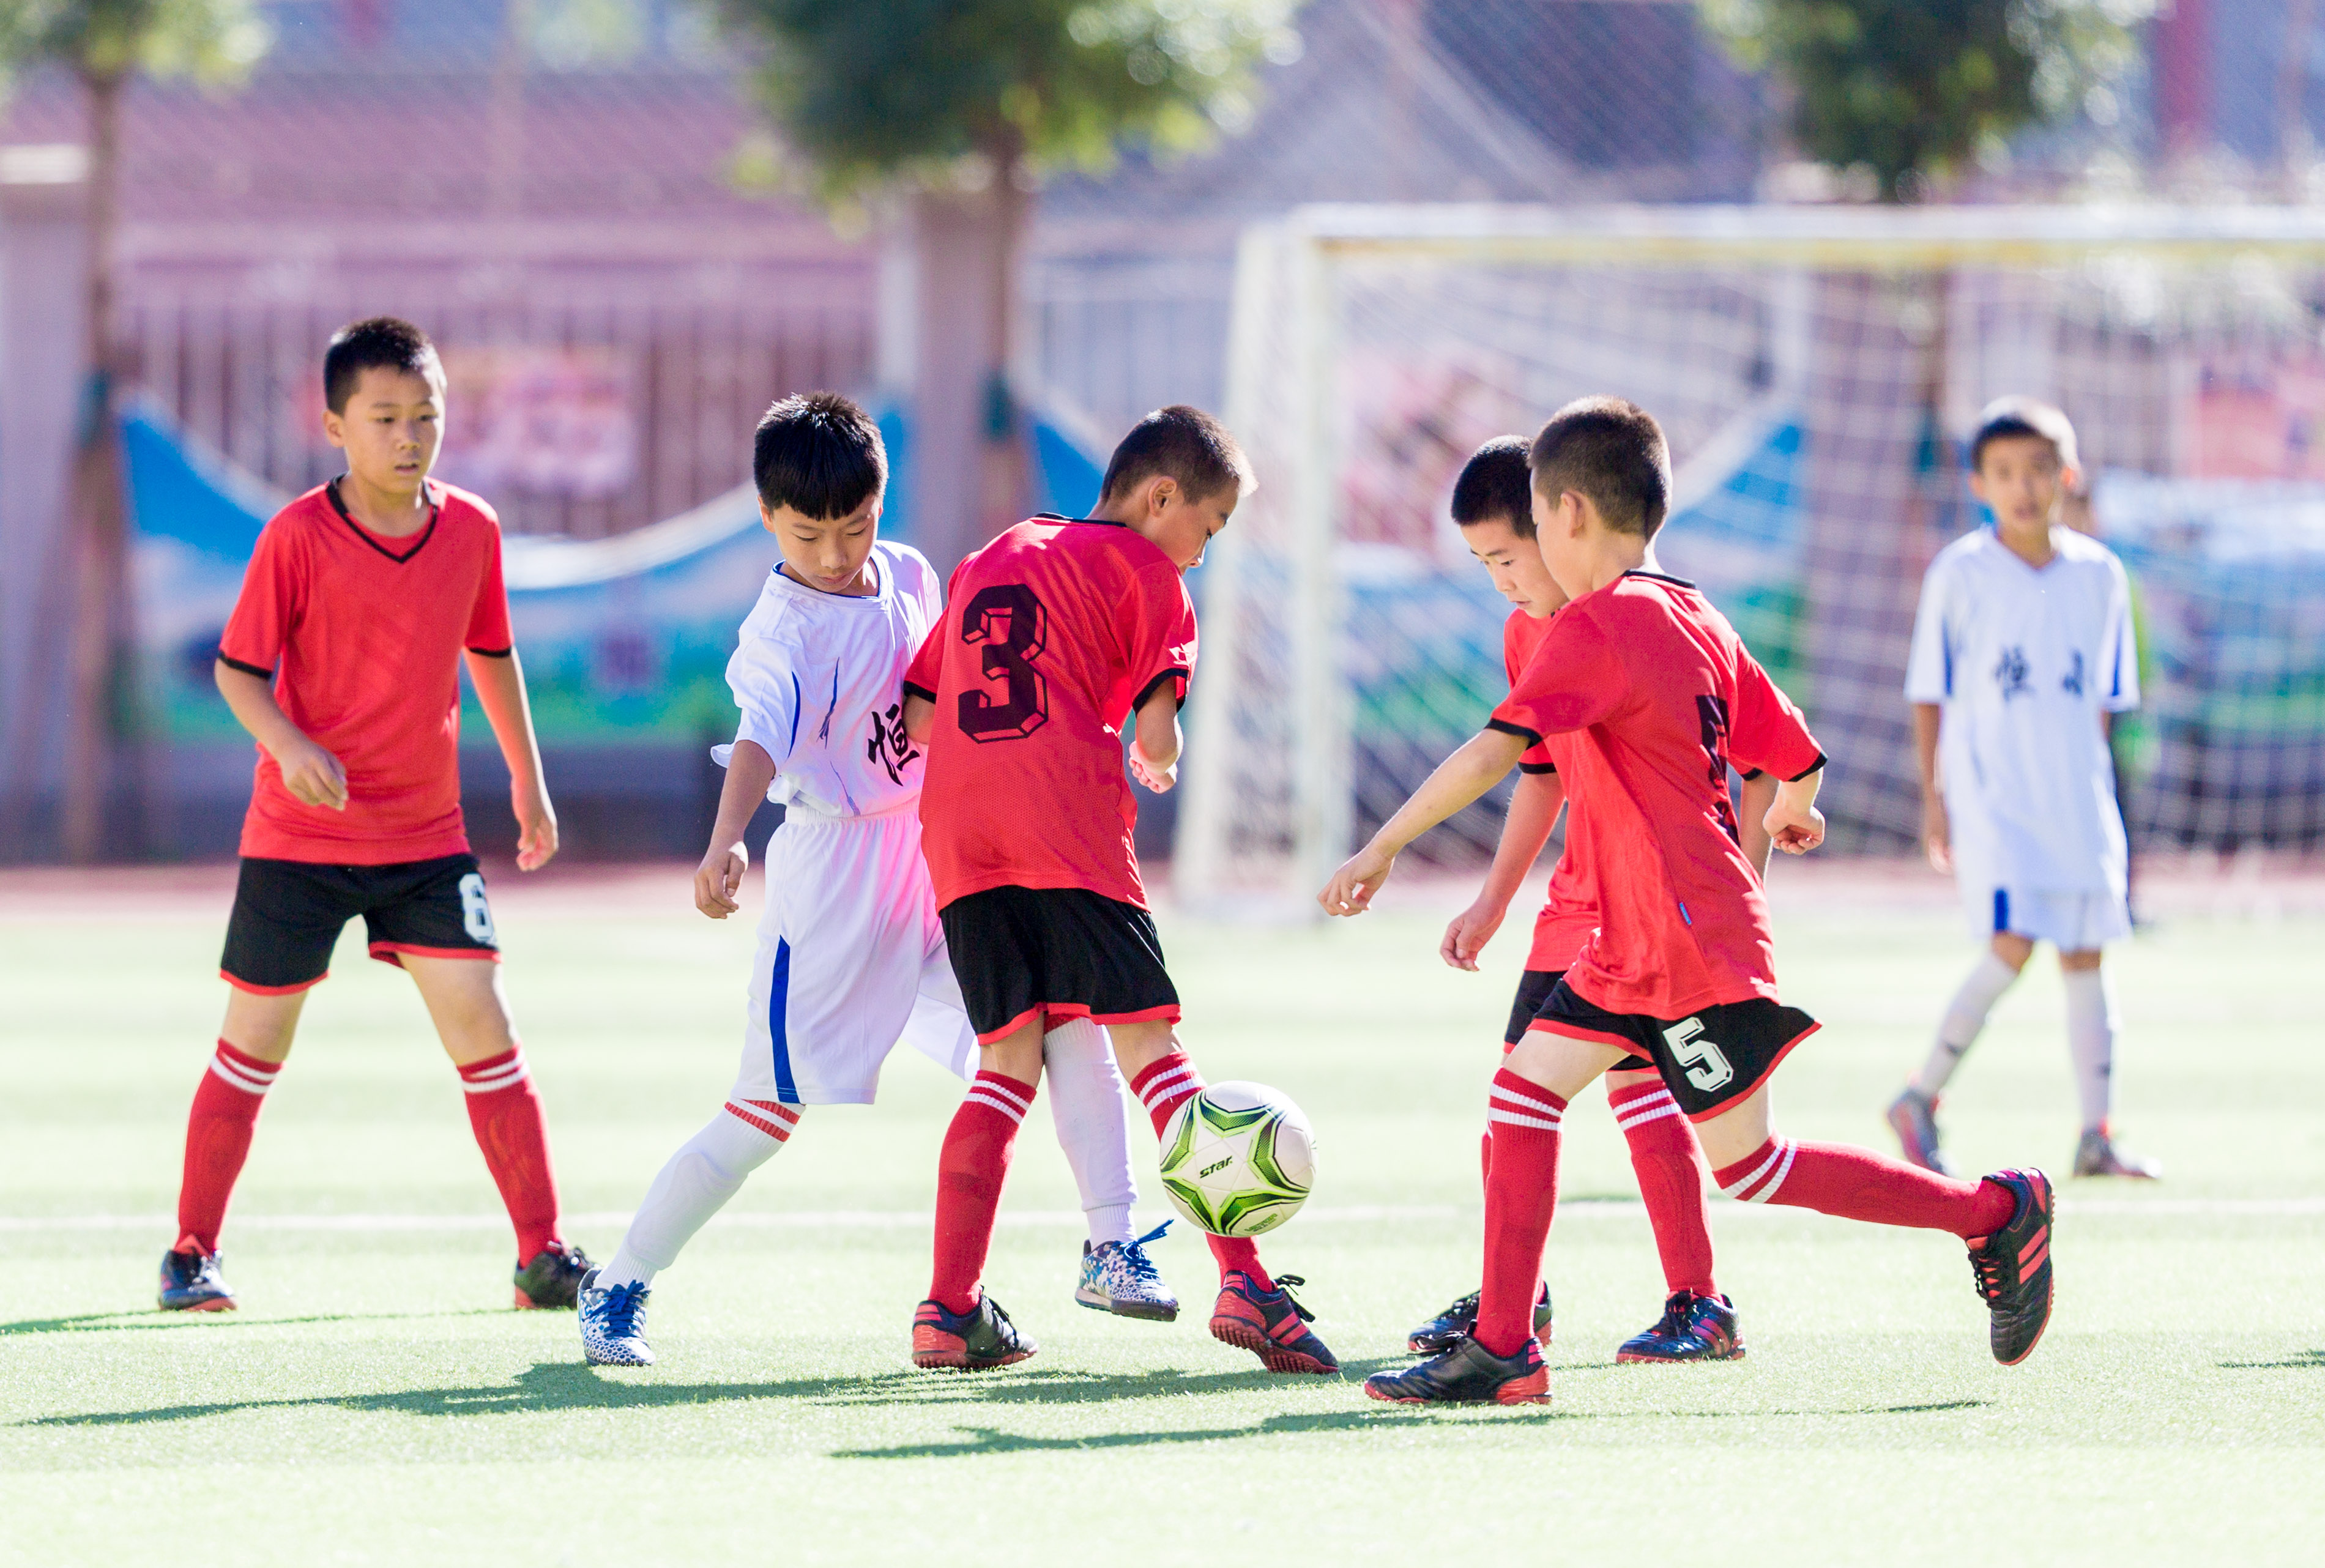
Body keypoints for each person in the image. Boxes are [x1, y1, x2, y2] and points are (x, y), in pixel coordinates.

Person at [1322, 397, 2056, 1406]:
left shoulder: (1603, 622)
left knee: (1748, 1166)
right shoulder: (1698, 614)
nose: (1530, 546)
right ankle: (1505, 1347)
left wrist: (1382, 845)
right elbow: (1795, 754)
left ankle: (1993, 1209)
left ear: (1567, 514)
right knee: (1523, 1093)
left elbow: (1499, 750)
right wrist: (1794, 811)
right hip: (1635, 939)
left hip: (1684, 939)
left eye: (1532, 526)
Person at [577, 393, 1172, 1366]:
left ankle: (1112, 1240)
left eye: (852, 525)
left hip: (941, 853)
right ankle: (622, 1280)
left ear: (881, 505)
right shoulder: (782, 632)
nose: (833, 552)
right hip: (832, 883)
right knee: (765, 1112)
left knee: (1063, 1022)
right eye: (807, 533)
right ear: (768, 519)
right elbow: (761, 740)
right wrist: (727, 836)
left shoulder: (907, 573)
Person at [162, 317, 589, 1312]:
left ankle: (542, 1253)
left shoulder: (473, 530)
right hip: (299, 841)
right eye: (386, 416)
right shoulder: (297, 536)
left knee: (485, 1022)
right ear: (334, 426)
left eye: (427, 415)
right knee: (253, 1045)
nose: (410, 435)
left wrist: (529, 779)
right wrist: (291, 745)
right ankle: (191, 1251)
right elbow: (237, 672)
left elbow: (492, 653)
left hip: (425, 838)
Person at [899, 404, 1337, 1375]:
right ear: (1161, 497)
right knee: (1155, 1054)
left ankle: (948, 1305)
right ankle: (1246, 1278)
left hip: (962, 843)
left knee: (1005, 1067)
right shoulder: (1145, 573)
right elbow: (1155, 731)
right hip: (1066, 829)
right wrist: (1159, 754)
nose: (1202, 556)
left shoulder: (999, 550)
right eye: (1209, 530)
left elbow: (922, 711)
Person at [1405, 436, 1777, 1365]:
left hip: (1643, 910)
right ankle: (1515, 1302)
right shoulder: (1532, 627)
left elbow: (1760, 764)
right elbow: (1540, 770)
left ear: (1554, 521)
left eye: (1506, 554)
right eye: (1484, 562)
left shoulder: (1631, 619)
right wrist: (1495, 898)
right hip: (1575, 901)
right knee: (1519, 1100)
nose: (1499, 578)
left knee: (1636, 1097)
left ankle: (1693, 1296)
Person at [1889, 398, 2158, 1181]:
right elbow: (1927, 691)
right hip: (1993, 794)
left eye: (2039, 470)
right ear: (1979, 483)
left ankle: (2094, 1134)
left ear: (2066, 477)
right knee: (2010, 945)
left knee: (2084, 952)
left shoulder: (2100, 575)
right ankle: (1918, 1096)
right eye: (2005, 473)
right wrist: (1934, 797)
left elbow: (2104, 703)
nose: (2024, 487)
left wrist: (2099, 794)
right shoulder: (1960, 571)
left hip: (2075, 794)